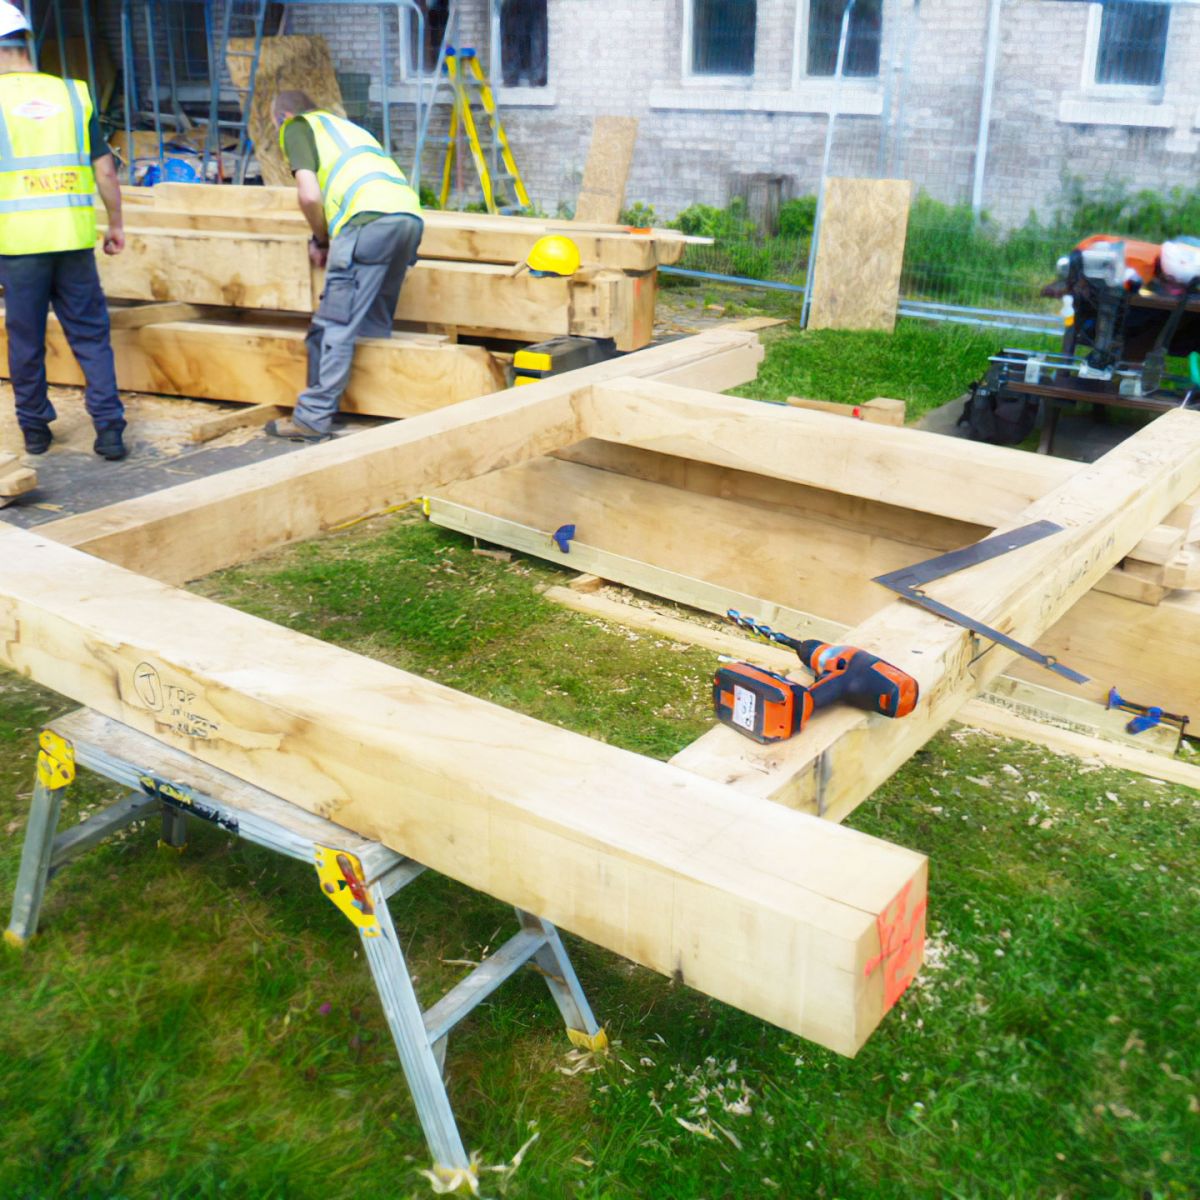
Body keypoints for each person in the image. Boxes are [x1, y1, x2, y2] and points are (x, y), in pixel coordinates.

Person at [0, 0, 127, 460]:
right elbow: (106, 171)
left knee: (26, 339)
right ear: (27, 42)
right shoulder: (75, 95)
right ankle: (110, 430)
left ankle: (35, 430)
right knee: (91, 336)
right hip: (74, 241)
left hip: (17, 246)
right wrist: (115, 223)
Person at [267, 90, 424, 443]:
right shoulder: (349, 130)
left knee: (333, 326)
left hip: (366, 224)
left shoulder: (297, 126)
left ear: (284, 116)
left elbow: (308, 194)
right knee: (372, 320)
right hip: (408, 220)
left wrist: (321, 239)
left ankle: (312, 418)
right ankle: (372, 404)